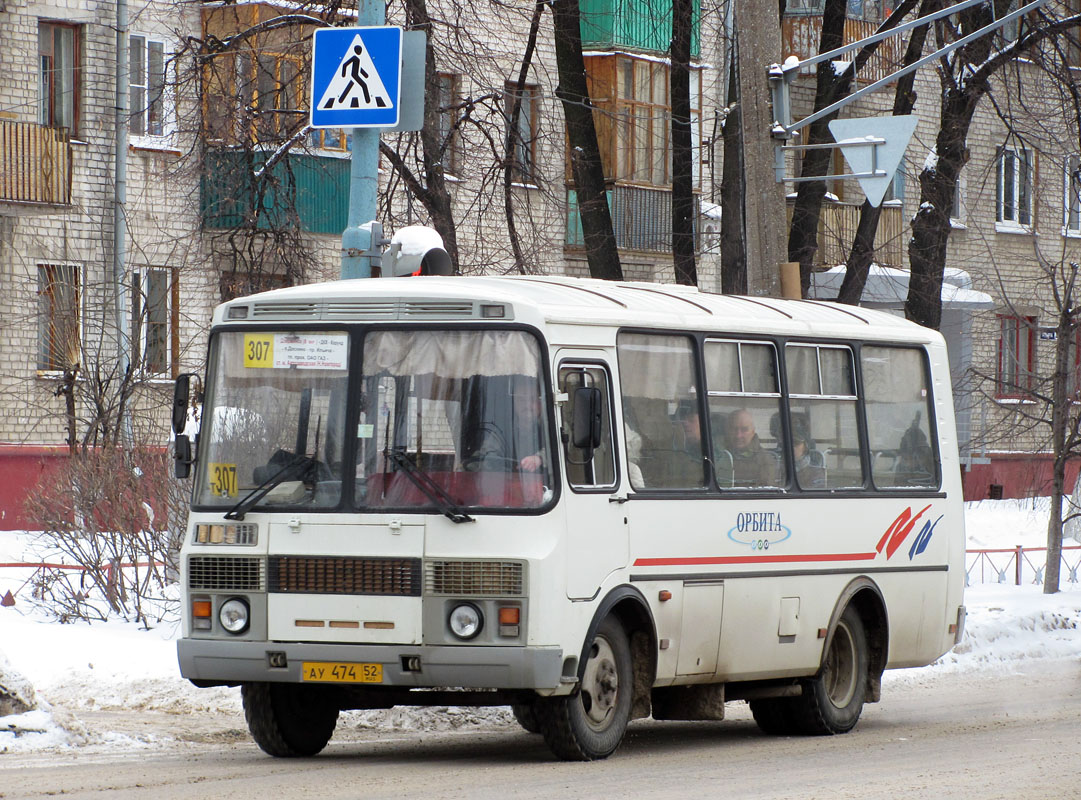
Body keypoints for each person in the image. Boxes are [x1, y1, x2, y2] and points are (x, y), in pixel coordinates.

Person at [725, 408, 778, 487]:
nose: (738, 435)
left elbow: (766, 493)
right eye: (734, 429)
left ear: (753, 431)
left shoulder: (765, 460)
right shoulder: (717, 454)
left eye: (744, 430)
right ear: (727, 430)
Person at [791, 417, 825, 489]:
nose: (792, 447)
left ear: (805, 446)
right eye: (788, 444)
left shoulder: (815, 471)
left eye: (796, 443)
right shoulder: (779, 467)